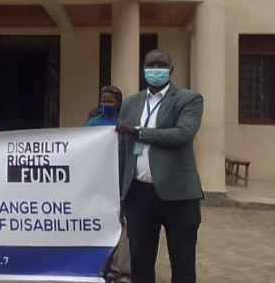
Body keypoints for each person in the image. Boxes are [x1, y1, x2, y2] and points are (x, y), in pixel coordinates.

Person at [116, 50, 203, 283]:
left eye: (161, 64)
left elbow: (183, 134)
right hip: (139, 194)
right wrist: (121, 192)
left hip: (179, 195)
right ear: (143, 69)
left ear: (171, 70)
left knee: (182, 262)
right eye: (150, 64)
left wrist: (139, 133)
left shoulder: (189, 99)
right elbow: (123, 149)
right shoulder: (131, 103)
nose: (156, 69)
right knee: (140, 261)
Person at [85, 85, 130, 283]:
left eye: (110, 102)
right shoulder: (93, 122)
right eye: (103, 101)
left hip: (120, 182)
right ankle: (103, 269)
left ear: (119, 104)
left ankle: (120, 272)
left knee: (121, 227)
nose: (106, 105)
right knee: (102, 227)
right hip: (99, 181)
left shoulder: (125, 124)